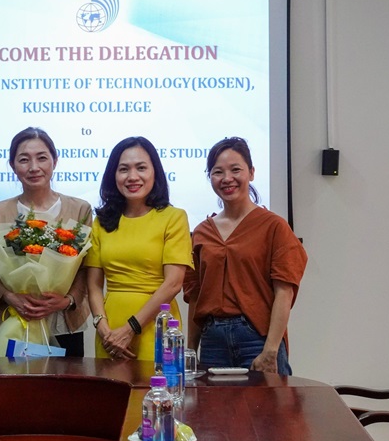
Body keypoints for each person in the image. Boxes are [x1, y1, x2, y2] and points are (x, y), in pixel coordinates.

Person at [183, 137, 307, 375]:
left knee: (268, 411)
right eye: (218, 172)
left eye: (235, 169)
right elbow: (195, 295)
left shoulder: (274, 226)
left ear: (251, 173)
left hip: (257, 341)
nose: (227, 178)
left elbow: (284, 292)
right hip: (212, 341)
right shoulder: (201, 232)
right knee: (212, 412)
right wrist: (191, 350)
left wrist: (270, 351)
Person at [0, 127, 92, 357]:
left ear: (55, 160)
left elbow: (86, 269)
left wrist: (66, 300)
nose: (34, 167)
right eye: (24, 159)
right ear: (12, 165)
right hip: (12, 321)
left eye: (42, 158)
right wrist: (11, 297)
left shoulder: (80, 209)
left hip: (64, 323)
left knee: (64, 390)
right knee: (11, 392)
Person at [86, 137, 193, 360]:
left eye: (141, 168)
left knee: (157, 393)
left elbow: (173, 283)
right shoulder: (102, 221)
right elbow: (94, 286)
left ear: (155, 172)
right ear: (113, 175)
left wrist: (131, 328)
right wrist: (102, 327)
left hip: (157, 327)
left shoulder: (174, 217)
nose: (132, 177)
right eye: (123, 169)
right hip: (110, 335)